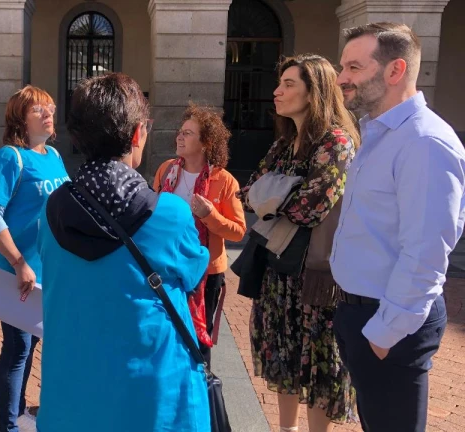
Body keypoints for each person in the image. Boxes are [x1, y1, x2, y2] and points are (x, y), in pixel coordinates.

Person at [36, 73, 211, 432]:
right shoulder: (170, 214)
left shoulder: (52, 209)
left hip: (72, 391)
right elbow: (194, 272)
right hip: (156, 396)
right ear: (137, 134)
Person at [332, 22, 465, 432]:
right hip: (362, 313)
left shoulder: (423, 141)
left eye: (354, 68)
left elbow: (426, 253)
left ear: (395, 70)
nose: (341, 79)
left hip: (389, 322)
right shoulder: (380, 134)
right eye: (343, 67)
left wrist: (384, 334)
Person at [237, 54, 360, 432]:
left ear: (314, 92)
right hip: (278, 268)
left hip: (315, 275)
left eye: (289, 84)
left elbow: (313, 207)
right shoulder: (284, 144)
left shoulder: (336, 142)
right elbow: (247, 194)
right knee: (284, 357)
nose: (277, 91)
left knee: (319, 365)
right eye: (280, 83)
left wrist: (270, 196)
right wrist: (278, 194)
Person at [0, 85, 69, 432]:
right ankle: (8, 425)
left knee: (30, 346)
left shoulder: (53, 156)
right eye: (38, 109)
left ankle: (16, 412)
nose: (48, 114)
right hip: (17, 272)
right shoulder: (9, 157)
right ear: (20, 119)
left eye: (50, 108)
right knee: (17, 349)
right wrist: (18, 262)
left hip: (47, 271)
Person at [153, 104, 246, 368]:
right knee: (167, 331)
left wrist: (209, 215)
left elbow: (238, 231)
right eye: (180, 132)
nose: (179, 137)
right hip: (167, 266)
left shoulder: (224, 181)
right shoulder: (166, 170)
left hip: (206, 272)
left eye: (188, 133)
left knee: (198, 338)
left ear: (206, 143)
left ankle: (200, 384)